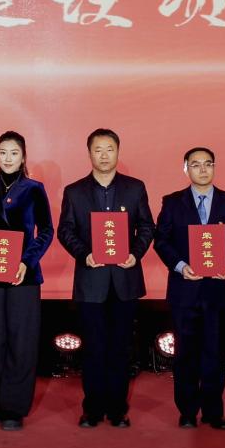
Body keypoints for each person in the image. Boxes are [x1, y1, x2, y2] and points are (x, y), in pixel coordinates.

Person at [57, 128, 155, 429]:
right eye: (98, 149)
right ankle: (92, 409)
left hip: (125, 279)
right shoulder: (74, 192)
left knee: (120, 348)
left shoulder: (135, 188)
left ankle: (117, 409)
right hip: (91, 281)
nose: (104, 155)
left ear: (118, 152)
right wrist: (85, 254)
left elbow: (147, 227)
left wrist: (135, 254)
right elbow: (65, 231)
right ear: (89, 153)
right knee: (93, 347)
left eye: (109, 149)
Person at [154, 147, 225, 430]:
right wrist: (180, 265)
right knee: (185, 354)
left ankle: (213, 412)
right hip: (185, 290)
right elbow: (161, 241)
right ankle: (187, 412)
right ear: (186, 169)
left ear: (214, 167)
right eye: (195, 164)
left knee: (214, 353)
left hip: (218, 291)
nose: (203, 169)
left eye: (208, 164)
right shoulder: (172, 202)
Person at [0, 131, 54, 431]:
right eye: (3, 152)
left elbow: (46, 231)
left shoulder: (34, 189)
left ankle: (14, 408)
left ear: (23, 156)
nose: (8, 158)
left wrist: (26, 262)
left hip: (23, 277)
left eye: (14, 153)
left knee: (21, 340)